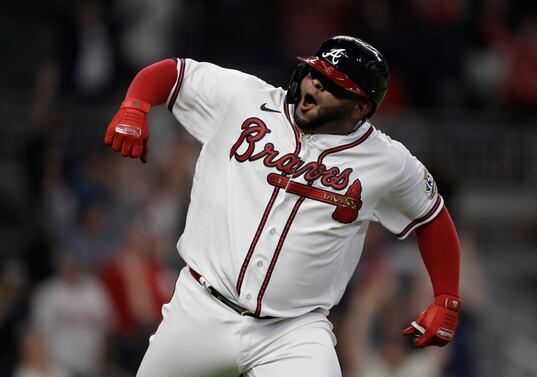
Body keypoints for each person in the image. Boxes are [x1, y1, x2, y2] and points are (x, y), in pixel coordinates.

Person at [104, 35, 462, 377]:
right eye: (315, 73)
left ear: (360, 107)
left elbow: (432, 217)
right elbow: (173, 74)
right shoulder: (245, 99)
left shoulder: (387, 162)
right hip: (201, 305)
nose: (316, 85)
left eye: (333, 84)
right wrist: (135, 105)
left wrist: (446, 296)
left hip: (293, 331)